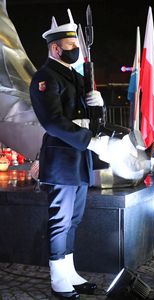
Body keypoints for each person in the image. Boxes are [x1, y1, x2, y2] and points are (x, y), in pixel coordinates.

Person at [29, 13, 110, 300]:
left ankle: (70, 271)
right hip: (63, 157)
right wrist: (88, 140)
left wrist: (99, 105)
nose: (75, 47)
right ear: (55, 48)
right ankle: (57, 278)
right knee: (60, 220)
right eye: (70, 43)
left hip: (80, 156)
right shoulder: (45, 78)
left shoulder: (75, 76)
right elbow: (52, 121)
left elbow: (89, 116)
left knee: (74, 219)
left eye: (76, 42)